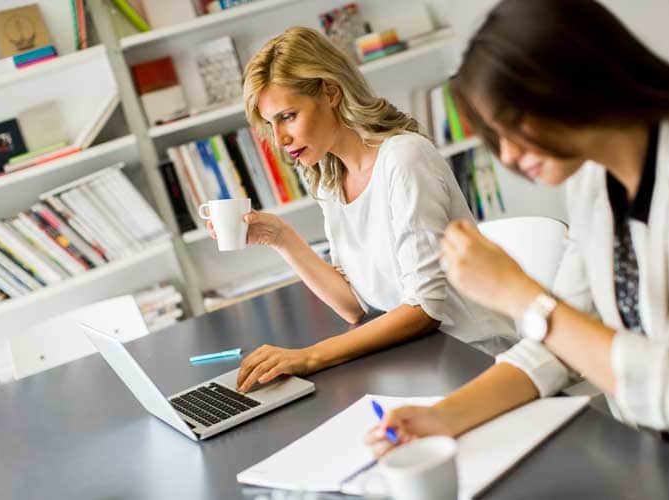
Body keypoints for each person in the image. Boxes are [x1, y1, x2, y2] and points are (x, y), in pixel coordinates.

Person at [367, 0, 669, 466]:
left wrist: (521, 295)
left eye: (514, 126)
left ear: (574, 77)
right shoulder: (593, 180)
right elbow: (559, 346)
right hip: (657, 459)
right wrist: (442, 417)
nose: (510, 157)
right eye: (495, 139)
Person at [207, 27, 513, 393]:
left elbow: (424, 310)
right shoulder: (330, 177)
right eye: (270, 124)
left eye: (288, 116)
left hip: (477, 358)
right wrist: (279, 237)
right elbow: (354, 307)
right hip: (418, 358)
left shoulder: (403, 158)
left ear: (331, 92)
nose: (279, 139)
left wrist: (310, 356)